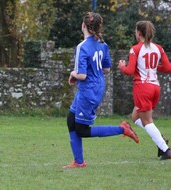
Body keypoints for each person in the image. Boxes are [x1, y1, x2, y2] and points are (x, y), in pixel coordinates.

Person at [64, 12, 139, 169]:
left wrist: (72, 74)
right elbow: (106, 69)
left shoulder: (82, 47)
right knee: (71, 120)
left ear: (83, 25)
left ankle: (122, 129)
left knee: (82, 130)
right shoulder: (103, 45)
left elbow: (82, 75)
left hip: (88, 92)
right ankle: (78, 161)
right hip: (95, 88)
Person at [118, 20, 171, 160]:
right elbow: (168, 68)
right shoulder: (159, 48)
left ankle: (166, 150)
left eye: (136, 31)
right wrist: (152, 67)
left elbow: (129, 71)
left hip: (143, 88)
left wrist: (122, 66)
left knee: (147, 121)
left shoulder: (135, 49)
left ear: (139, 33)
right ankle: (160, 140)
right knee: (135, 117)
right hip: (155, 88)